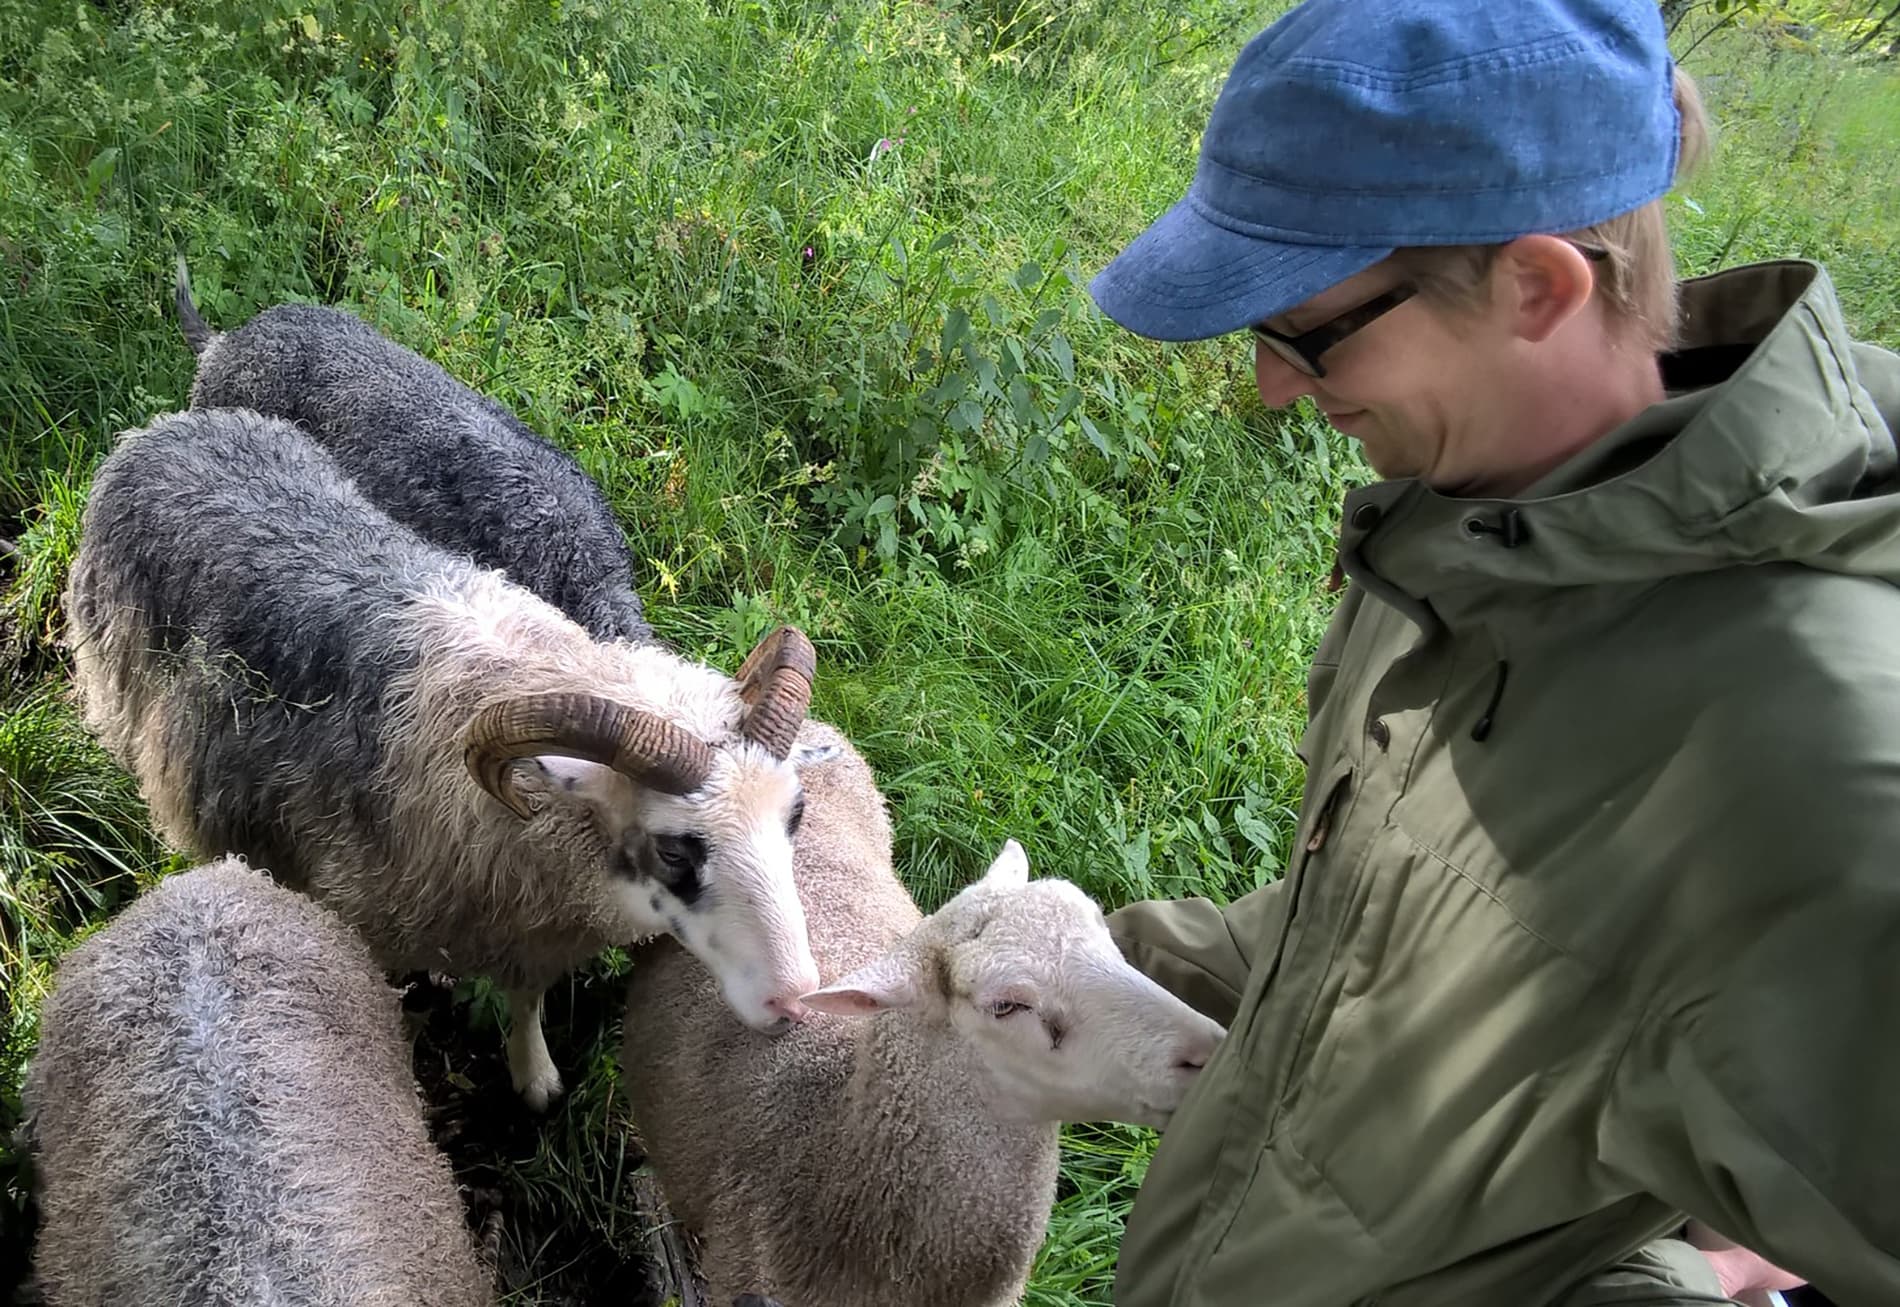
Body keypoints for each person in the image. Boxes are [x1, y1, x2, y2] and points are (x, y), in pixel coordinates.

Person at [1089, 0, 1900, 1303]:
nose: (1275, 389)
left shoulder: (1816, 762)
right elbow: (1392, 919)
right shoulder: (1468, 531)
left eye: (1308, 328)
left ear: (1538, 284)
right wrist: (1043, 959)